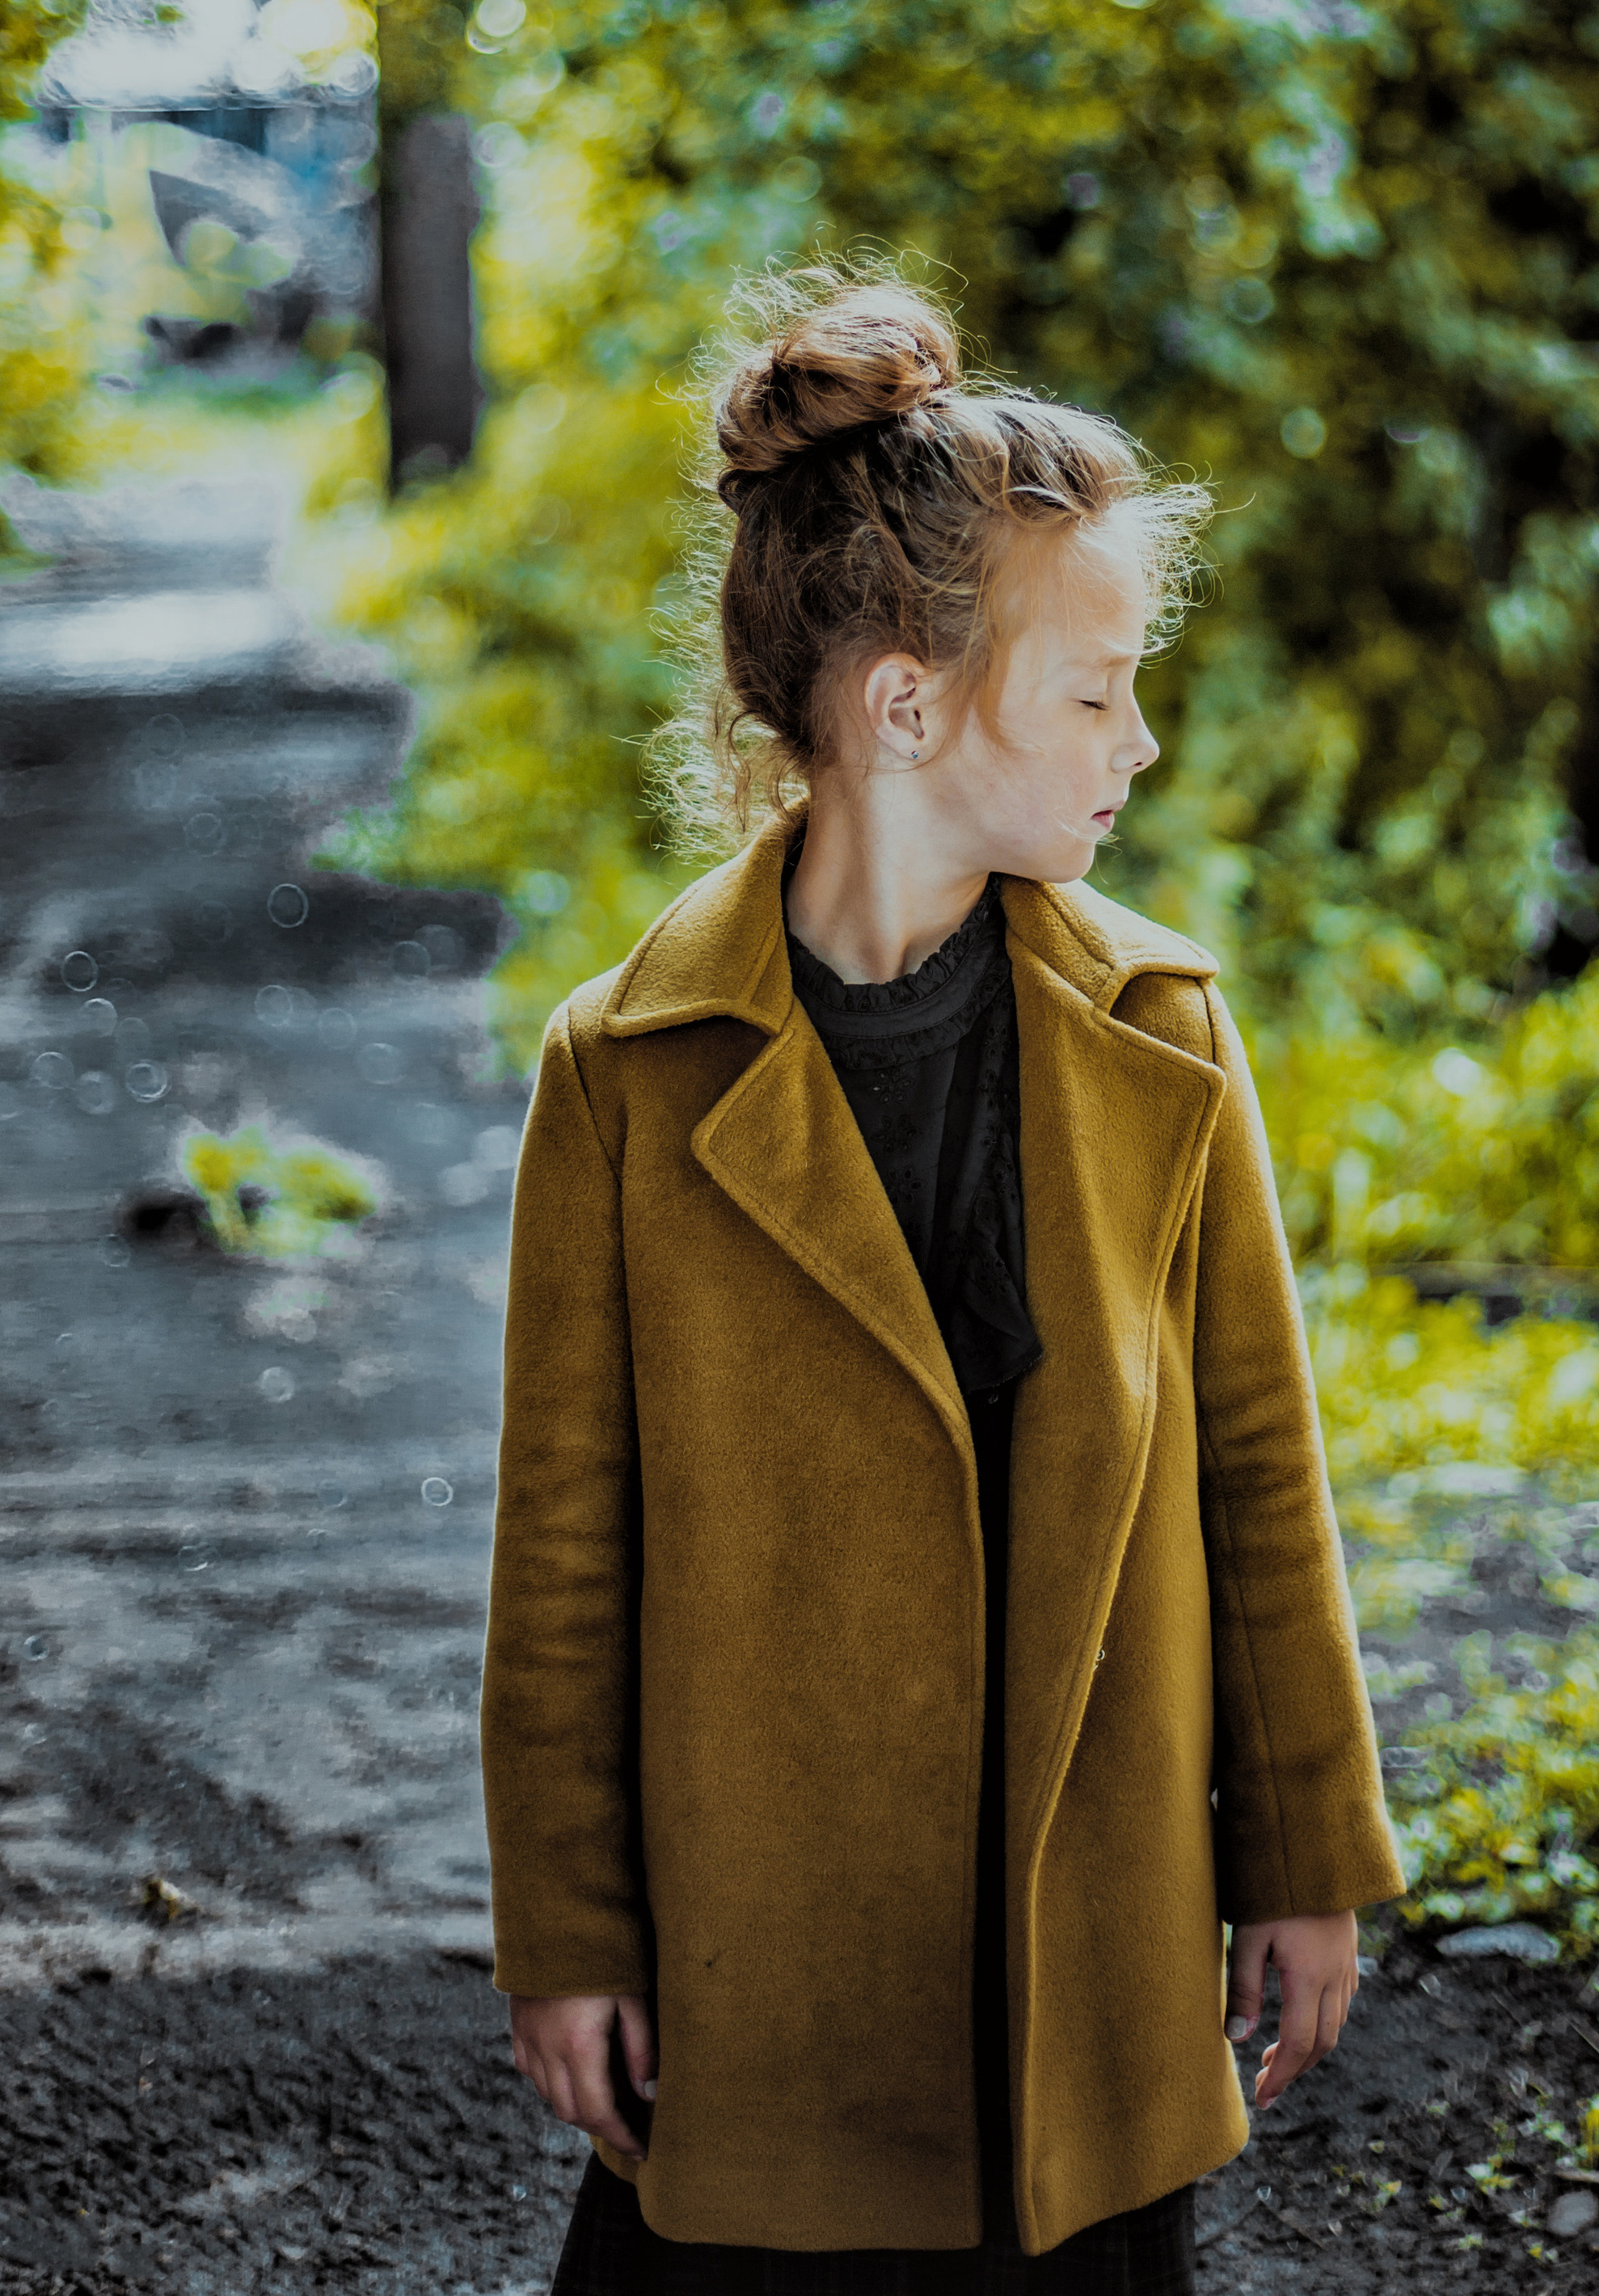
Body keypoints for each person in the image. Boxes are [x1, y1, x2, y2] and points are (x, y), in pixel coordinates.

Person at [480, 271, 1403, 2296]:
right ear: (905, 706)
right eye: (1093, 690)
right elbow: (563, 1549)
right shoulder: (626, 1072)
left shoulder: (1165, 1030)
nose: (1138, 738)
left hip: (1083, 1957)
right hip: (770, 1971)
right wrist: (567, 1939)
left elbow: (1256, 1467)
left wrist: (1307, 1857)